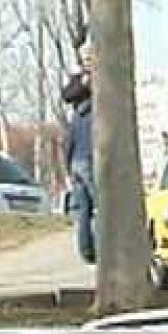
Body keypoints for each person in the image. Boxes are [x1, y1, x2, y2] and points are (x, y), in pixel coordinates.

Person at [65, 75, 97, 264]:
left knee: (83, 210)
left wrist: (68, 164)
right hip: (90, 161)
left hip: (76, 161)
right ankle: (102, 247)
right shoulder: (97, 114)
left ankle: (86, 250)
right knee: (101, 208)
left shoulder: (77, 115)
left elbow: (68, 141)